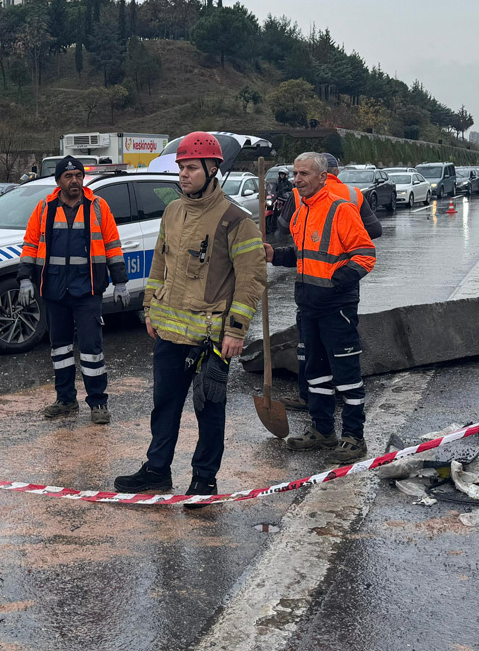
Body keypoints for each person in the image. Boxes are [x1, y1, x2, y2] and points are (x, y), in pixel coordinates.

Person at [112, 132, 267, 507]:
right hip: (169, 331)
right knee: (164, 405)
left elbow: (251, 278)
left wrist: (236, 331)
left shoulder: (235, 220)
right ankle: (156, 471)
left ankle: (203, 481)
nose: (183, 174)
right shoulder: (172, 211)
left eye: (192, 168)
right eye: (181, 167)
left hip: (212, 338)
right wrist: (149, 307)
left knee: (208, 410)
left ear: (213, 169)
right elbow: (160, 264)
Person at [265, 152, 376, 464]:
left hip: (336, 308)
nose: (297, 180)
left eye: (304, 174)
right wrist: (274, 254)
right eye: (296, 174)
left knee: (347, 375)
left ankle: (354, 437)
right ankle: (323, 431)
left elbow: (365, 254)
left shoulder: (340, 209)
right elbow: (303, 255)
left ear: (322, 177)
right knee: (315, 372)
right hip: (308, 306)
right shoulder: (302, 210)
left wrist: (340, 279)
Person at [16, 156, 128, 424]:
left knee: (91, 349)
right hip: (54, 290)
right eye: (69, 176)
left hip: (87, 289)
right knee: (61, 349)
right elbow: (30, 245)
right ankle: (65, 400)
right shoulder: (44, 208)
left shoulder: (98, 207)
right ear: (59, 181)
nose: (75, 180)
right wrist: (24, 279)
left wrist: (120, 280)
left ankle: (98, 403)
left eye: (78, 175)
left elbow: (112, 245)